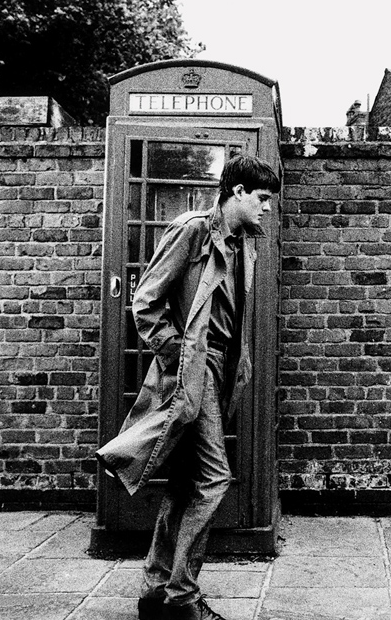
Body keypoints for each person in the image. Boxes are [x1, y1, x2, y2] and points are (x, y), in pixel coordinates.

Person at [96, 153, 280, 620]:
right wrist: (177, 355)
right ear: (236, 191)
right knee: (216, 478)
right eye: (261, 199)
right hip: (191, 367)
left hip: (222, 371)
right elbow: (145, 301)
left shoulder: (245, 243)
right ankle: (182, 597)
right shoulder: (192, 229)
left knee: (184, 482)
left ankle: (155, 593)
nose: (267, 209)